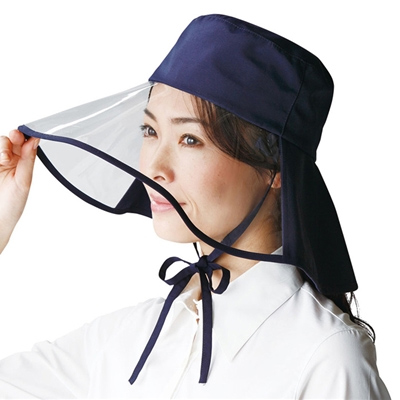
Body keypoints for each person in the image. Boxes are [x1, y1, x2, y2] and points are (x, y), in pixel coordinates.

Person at [0, 14, 391, 399]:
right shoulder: (124, 340)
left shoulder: (326, 357)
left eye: (190, 139)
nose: (154, 167)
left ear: (275, 168)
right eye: (150, 131)